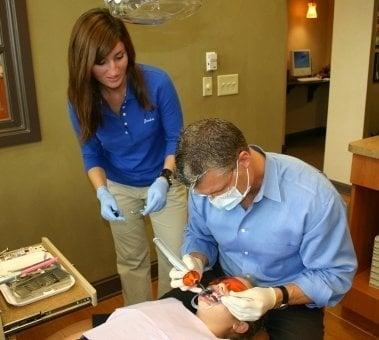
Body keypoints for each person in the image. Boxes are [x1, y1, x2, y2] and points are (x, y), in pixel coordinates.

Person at [168, 118, 357, 340]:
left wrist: (276, 296)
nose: (212, 200)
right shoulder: (205, 186)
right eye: (205, 195)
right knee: (164, 316)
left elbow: (335, 275)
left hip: (290, 294)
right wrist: (195, 260)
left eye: (218, 191)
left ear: (244, 160)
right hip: (222, 280)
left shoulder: (314, 197)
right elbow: (200, 235)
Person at [67, 8, 187, 305]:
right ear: (84, 63)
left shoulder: (157, 83)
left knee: (175, 259)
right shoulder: (79, 98)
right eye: (101, 62)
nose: (113, 70)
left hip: (165, 180)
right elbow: (90, 151)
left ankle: (172, 325)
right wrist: (102, 192)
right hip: (119, 187)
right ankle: (140, 323)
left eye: (119, 56)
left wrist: (165, 178)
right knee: (132, 262)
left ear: (128, 51)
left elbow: (176, 138)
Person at [78, 276, 265, 340]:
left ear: (240, 325)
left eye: (235, 291)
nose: (221, 286)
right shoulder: (171, 304)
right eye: (222, 282)